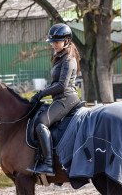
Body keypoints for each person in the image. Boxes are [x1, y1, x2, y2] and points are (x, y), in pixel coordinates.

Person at [27, 23, 81, 176]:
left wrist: (41, 93)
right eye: (52, 41)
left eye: (57, 41)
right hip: (59, 98)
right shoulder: (60, 57)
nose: (54, 44)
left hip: (66, 98)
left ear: (67, 41)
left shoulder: (69, 60)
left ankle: (48, 164)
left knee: (41, 123)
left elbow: (61, 86)